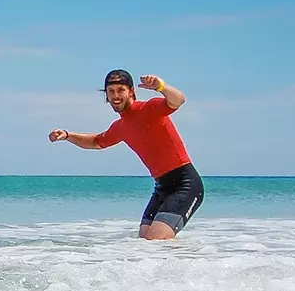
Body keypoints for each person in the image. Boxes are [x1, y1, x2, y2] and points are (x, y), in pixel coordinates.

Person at [48, 69, 203, 240]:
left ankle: (193, 265)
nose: (116, 95)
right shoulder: (120, 127)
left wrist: (162, 87)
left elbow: (178, 100)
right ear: (106, 95)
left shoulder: (149, 108)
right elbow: (96, 142)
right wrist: (68, 135)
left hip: (185, 184)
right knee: (144, 239)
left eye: (120, 90)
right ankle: (184, 262)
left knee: (156, 240)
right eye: (111, 91)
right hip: (162, 187)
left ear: (131, 91)